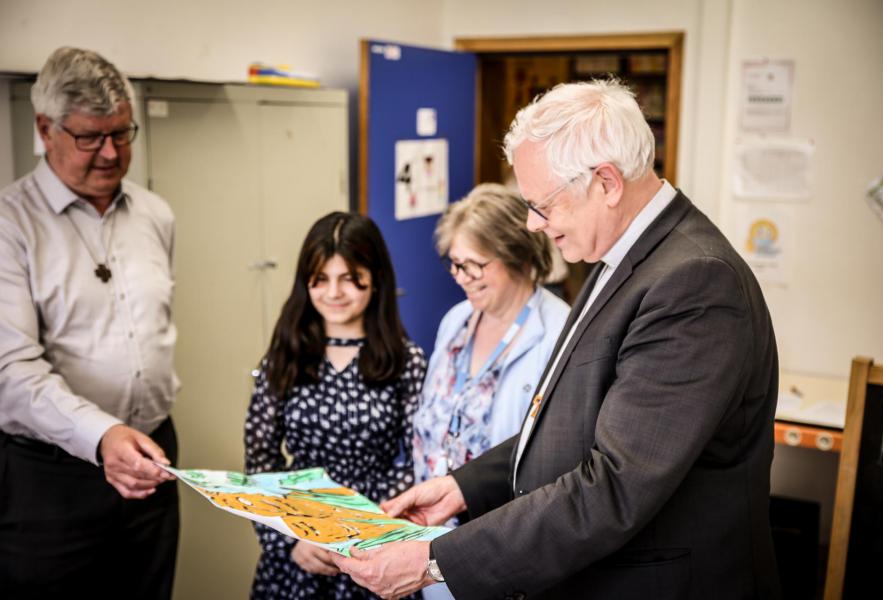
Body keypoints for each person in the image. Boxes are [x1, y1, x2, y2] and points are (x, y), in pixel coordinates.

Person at [334, 78, 781, 600]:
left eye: (542, 205)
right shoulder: (620, 255)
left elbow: (614, 486)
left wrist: (436, 560)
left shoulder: (694, 282)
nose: (533, 224)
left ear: (607, 183)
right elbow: (568, 425)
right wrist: (463, 487)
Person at [0, 47, 180, 600]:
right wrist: (101, 437)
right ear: (45, 129)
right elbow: (11, 371)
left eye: (122, 133)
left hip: (152, 460)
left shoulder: (155, 213)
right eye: (90, 138)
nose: (110, 153)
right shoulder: (11, 225)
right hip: (52, 479)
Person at [244, 211, 427, 600]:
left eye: (350, 278)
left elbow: (419, 460)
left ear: (375, 279)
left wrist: (370, 529)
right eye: (321, 279)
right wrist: (289, 540)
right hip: (298, 546)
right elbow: (260, 462)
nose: (334, 293)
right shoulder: (285, 356)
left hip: (376, 542)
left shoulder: (405, 360)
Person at [413, 184, 569, 599]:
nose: (461, 278)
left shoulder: (558, 335)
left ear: (517, 255)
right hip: (433, 546)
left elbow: (550, 463)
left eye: (475, 265)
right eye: (455, 264)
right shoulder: (457, 322)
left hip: (502, 555)